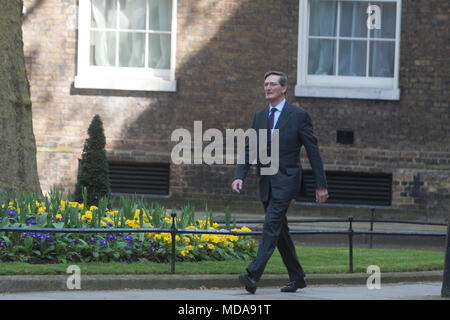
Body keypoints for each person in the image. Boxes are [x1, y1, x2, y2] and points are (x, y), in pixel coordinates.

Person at [231, 70, 328, 294]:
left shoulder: (298, 116)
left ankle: (253, 275)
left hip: (287, 182)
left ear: (284, 88)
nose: (268, 88)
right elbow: (249, 148)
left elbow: (313, 152)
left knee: (271, 225)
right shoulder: (259, 117)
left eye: (273, 84)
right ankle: (297, 277)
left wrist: (321, 185)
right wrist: (239, 175)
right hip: (266, 183)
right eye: (265, 84)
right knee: (280, 231)